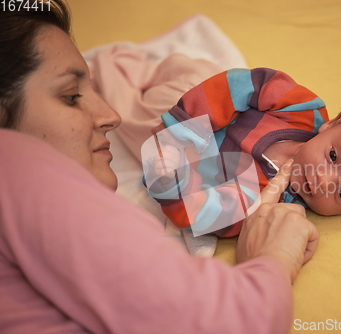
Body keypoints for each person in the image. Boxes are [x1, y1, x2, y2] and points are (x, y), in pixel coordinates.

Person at [0, 1, 319, 333]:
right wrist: (273, 256)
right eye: (70, 96)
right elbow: (235, 320)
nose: (111, 116)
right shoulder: (18, 169)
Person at [144, 68, 341, 237]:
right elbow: (242, 84)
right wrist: (181, 129)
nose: (323, 180)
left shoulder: (270, 207)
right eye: (333, 157)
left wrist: (169, 182)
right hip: (191, 105)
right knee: (170, 70)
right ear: (333, 123)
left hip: (174, 158)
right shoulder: (302, 110)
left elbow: (199, 215)